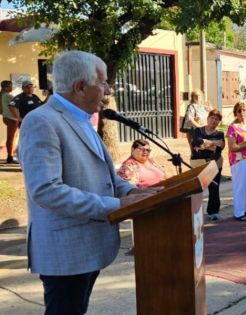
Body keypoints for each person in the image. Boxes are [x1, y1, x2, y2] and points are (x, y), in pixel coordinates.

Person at [18, 50, 156, 315]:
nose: (107, 90)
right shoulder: (42, 122)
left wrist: (133, 192)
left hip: (86, 245)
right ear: (80, 87)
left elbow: (103, 175)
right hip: (65, 251)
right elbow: (46, 190)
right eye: (102, 83)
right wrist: (116, 205)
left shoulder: (82, 119)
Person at [191, 109, 225, 220]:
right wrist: (214, 143)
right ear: (208, 118)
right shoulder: (198, 130)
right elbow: (197, 143)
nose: (214, 121)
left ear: (219, 122)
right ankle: (195, 212)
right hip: (198, 163)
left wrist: (205, 144)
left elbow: (220, 148)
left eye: (217, 119)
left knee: (214, 187)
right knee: (197, 188)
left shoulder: (220, 133)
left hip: (214, 163)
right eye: (212, 118)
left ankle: (213, 212)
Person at [227, 101, 246, 221]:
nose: (242, 113)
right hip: (239, 159)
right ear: (235, 113)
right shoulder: (232, 127)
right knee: (240, 186)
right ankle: (239, 212)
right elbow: (232, 147)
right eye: (239, 110)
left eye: (244, 110)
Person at [1, 80, 19, 164]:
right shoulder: (8, 96)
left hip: (7, 118)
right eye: (11, 86)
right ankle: (10, 157)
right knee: (11, 138)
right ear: (6, 87)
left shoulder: (3, 96)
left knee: (12, 138)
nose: (12, 88)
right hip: (11, 119)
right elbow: (17, 104)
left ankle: (11, 156)